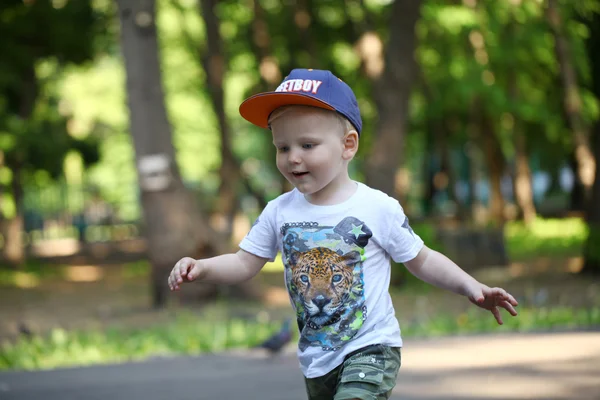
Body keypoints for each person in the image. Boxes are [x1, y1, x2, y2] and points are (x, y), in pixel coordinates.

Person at [167, 68, 519, 400]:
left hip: (371, 348)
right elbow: (244, 263)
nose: (292, 158)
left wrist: (471, 287)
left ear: (348, 145)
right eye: (282, 147)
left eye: (307, 145)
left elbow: (421, 259)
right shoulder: (279, 211)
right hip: (317, 359)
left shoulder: (376, 207)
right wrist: (202, 268)